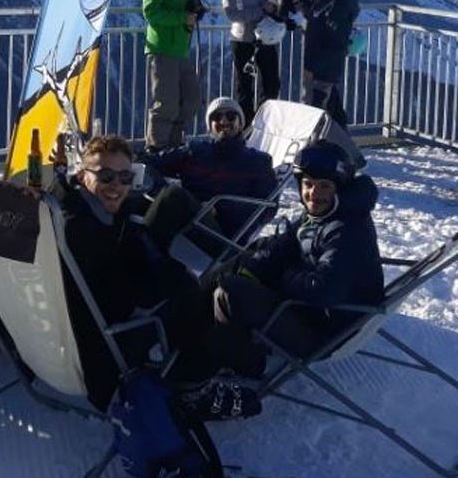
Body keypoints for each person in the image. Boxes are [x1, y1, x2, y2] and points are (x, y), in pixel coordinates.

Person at [55, 135, 262, 415]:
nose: (116, 185)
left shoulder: (77, 211)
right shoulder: (85, 233)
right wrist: (175, 279)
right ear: (83, 176)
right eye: (105, 176)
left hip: (83, 336)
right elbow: (123, 300)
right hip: (109, 349)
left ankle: (236, 348)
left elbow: (123, 264)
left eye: (125, 176)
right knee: (195, 293)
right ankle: (196, 389)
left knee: (183, 272)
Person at [214, 140, 383, 360]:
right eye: (308, 184)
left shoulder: (346, 229)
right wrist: (250, 266)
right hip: (310, 311)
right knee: (245, 259)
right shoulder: (325, 212)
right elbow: (286, 243)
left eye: (324, 185)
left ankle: (241, 371)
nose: (314, 193)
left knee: (230, 291)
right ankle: (191, 324)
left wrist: (284, 274)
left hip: (324, 331)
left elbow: (324, 290)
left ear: (339, 188)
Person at [141, 97, 276, 242]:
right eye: (217, 117)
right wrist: (160, 191)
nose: (224, 122)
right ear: (210, 126)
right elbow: (152, 162)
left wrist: (219, 207)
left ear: (241, 123)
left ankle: (145, 249)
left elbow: (268, 208)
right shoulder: (196, 151)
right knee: (137, 199)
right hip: (187, 220)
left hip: (224, 236)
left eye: (231, 116)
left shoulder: (258, 162)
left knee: (174, 196)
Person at [142, 0, 202, 152]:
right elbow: (150, 12)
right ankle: (157, 148)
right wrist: (182, 18)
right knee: (165, 102)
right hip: (163, 48)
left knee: (190, 99)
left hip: (180, 48)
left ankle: (174, 145)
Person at [222, 0, 281, 122]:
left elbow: (273, 2)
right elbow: (231, 13)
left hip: (267, 37)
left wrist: (277, 9)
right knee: (245, 87)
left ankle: (263, 123)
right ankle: (244, 127)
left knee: (272, 85)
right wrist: (261, 10)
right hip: (244, 39)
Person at [300, 0, 360, 127]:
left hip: (322, 61)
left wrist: (313, 64)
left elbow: (312, 16)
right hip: (333, 60)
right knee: (330, 107)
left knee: (313, 109)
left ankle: (315, 147)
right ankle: (337, 143)